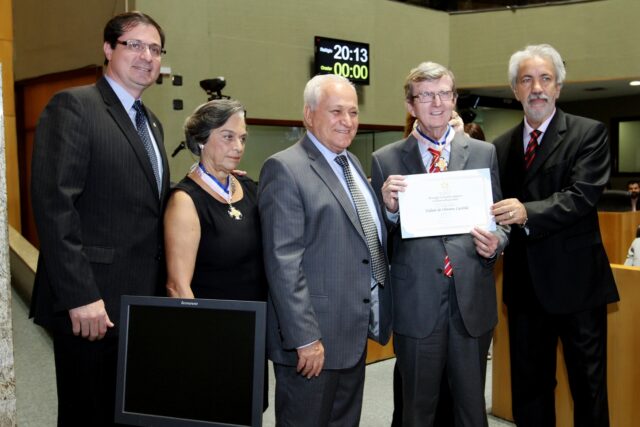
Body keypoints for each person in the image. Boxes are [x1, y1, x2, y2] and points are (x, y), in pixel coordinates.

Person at [29, 11, 169, 426]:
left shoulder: (152, 123)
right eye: (135, 45)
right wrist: (80, 295)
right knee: (86, 415)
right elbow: (55, 206)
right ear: (108, 49)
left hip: (139, 305)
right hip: (92, 305)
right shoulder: (74, 106)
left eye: (156, 49)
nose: (147, 56)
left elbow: (145, 203)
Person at [371, 61, 509, 427]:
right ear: (410, 105)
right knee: (417, 411)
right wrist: (389, 212)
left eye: (444, 94)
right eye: (426, 96)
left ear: (454, 99)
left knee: (471, 412)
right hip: (416, 304)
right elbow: (375, 240)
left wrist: (497, 242)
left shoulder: (483, 153)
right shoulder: (385, 160)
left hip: (471, 302)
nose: (436, 103)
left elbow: (499, 221)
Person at [491, 44, 619, 427]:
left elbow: (581, 196)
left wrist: (526, 212)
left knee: (588, 389)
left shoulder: (588, 133)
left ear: (558, 87)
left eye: (545, 79)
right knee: (529, 391)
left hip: (577, 287)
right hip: (524, 289)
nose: (537, 88)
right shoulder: (499, 147)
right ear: (515, 89)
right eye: (527, 80)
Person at [258, 73, 392, 426]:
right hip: (312, 343)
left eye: (353, 112)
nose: (347, 121)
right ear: (309, 114)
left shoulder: (352, 163)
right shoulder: (285, 168)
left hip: (351, 335)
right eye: (336, 111)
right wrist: (305, 338)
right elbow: (283, 263)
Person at [163, 99, 269, 409]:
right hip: (212, 338)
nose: (238, 146)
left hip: (252, 331)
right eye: (227, 136)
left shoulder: (248, 187)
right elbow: (177, 287)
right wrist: (200, 348)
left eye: (243, 138)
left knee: (250, 410)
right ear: (200, 141)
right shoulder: (185, 200)